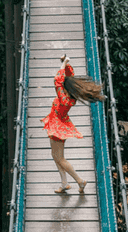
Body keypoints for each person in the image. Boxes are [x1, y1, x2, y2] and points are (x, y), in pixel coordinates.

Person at [40, 54, 105, 195]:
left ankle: (79, 180)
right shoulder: (71, 95)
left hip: (57, 126)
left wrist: (64, 64)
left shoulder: (63, 97)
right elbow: (68, 76)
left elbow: (57, 80)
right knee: (55, 155)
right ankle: (64, 183)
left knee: (60, 158)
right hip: (60, 123)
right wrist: (65, 63)